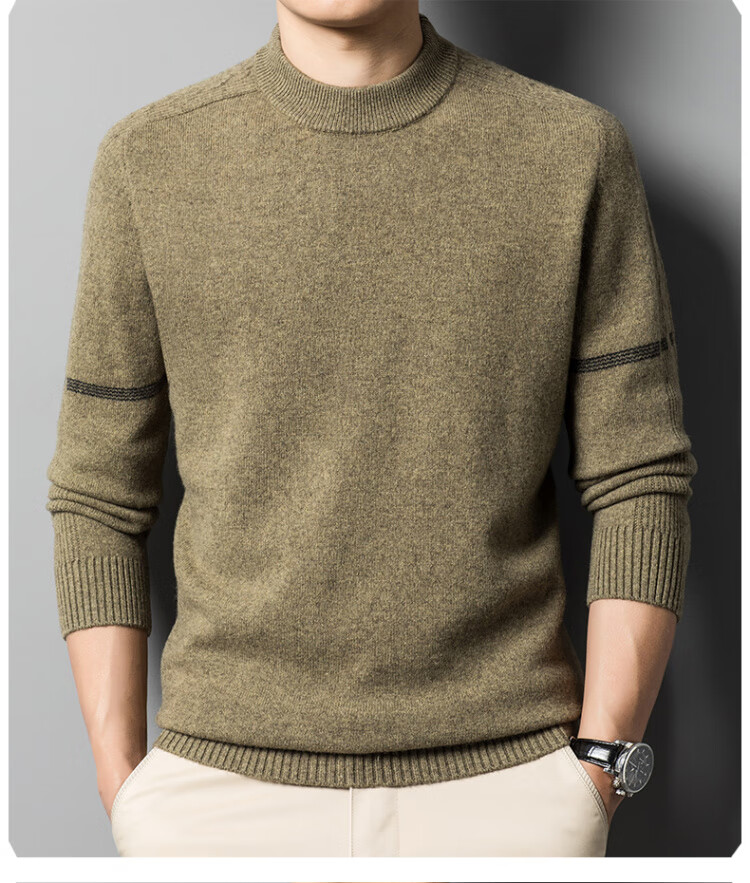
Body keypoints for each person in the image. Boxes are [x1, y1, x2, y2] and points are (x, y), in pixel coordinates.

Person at [45, 0, 698, 857]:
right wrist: (123, 780)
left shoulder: (572, 151)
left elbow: (641, 475)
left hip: (509, 793)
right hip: (215, 800)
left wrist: (599, 769)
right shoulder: (150, 159)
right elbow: (96, 492)